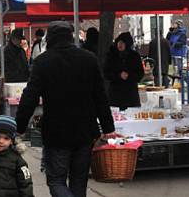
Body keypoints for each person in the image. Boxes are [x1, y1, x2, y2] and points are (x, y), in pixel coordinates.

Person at [16, 21, 116, 197]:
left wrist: (20, 126)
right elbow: (100, 96)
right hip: (85, 131)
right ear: (71, 36)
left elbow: (29, 97)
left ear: (51, 38)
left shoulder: (43, 62)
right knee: (79, 181)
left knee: (56, 180)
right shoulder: (88, 59)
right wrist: (108, 127)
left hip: (56, 132)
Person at [104, 32, 144, 110]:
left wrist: (129, 75)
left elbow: (140, 74)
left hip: (130, 95)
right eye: (119, 42)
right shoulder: (111, 55)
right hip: (115, 95)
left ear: (127, 44)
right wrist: (118, 75)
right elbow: (106, 72)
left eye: (122, 42)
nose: (120, 44)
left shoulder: (134, 56)